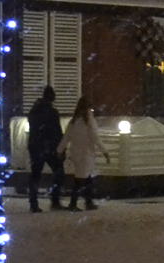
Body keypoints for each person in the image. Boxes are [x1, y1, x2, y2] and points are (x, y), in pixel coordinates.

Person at [26, 85, 65, 213]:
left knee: (36, 174)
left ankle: (33, 202)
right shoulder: (52, 112)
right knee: (58, 172)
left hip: (36, 146)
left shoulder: (34, 112)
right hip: (48, 147)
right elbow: (57, 132)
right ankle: (54, 200)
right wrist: (60, 148)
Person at [63, 96, 106, 210]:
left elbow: (66, 137)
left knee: (83, 178)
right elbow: (95, 138)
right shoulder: (89, 121)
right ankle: (78, 203)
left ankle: (85, 201)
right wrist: (104, 151)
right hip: (86, 153)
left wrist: (59, 149)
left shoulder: (74, 121)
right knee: (83, 179)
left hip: (76, 153)